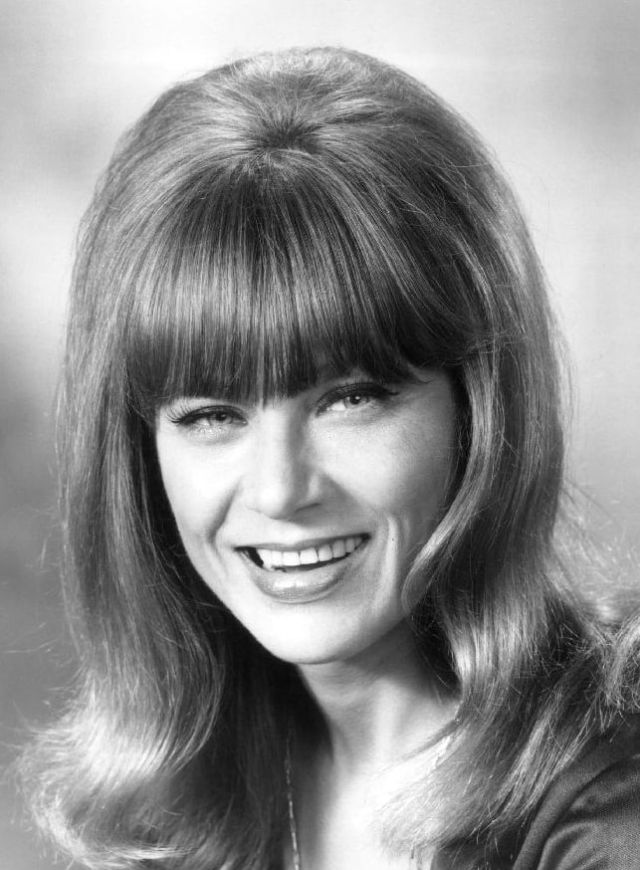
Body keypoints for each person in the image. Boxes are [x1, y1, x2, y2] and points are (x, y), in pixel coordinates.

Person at [20, 46, 640, 869]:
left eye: (350, 399)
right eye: (212, 415)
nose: (281, 490)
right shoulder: (177, 805)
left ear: (478, 405)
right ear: (140, 455)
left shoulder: (612, 810)